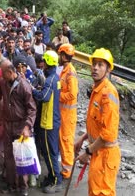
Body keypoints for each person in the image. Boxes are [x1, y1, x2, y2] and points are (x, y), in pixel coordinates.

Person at [75, 48, 120, 196]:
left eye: (100, 64)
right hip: (98, 152)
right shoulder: (97, 90)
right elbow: (97, 124)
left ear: (108, 69)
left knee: (101, 193)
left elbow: (108, 134)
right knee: (94, 191)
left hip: (105, 154)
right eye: (94, 64)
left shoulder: (108, 93)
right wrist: (82, 138)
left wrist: (88, 152)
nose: (95, 67)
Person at [0, 60, 36, 196]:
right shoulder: (3, 83)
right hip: (8, 124)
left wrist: (27, 126)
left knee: (22, 158)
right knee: (8, 157)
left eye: (3, 73)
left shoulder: (24, 86)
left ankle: (23, 188)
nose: (1, 76)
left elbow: (32, 109)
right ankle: (11, 185)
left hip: (21, 126)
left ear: (10, 72)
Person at [32, 50, 62, 194]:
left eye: (44, 61)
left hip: (48, 121)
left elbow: (43, 96)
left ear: (48, 63)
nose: (42, 64)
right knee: (50, 151)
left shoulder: (50, 80)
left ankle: (56, 181)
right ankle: (51, 177)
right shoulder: (54, 77)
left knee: (50, 153)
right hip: (52, 120)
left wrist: (33, 90)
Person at [57, 44, 78, 179]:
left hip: (68, 115)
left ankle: (67, 171)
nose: (59, 57)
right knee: (63, 141)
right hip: (63, 113)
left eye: (60, 55)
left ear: (64, 56)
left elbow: (72, 94)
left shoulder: (70, 72)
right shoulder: (65, 70)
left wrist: (57, 94)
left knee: (66, 141)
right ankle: (65, 168)